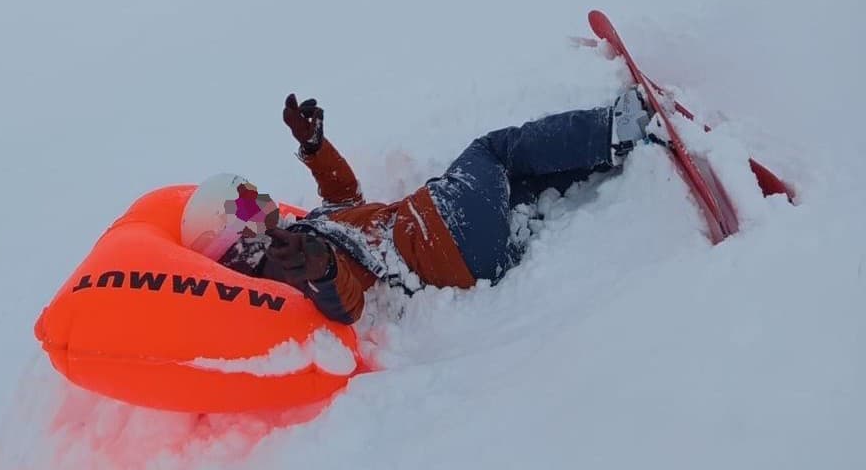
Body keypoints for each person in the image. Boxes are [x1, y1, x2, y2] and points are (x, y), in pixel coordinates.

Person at [180, 91, 654, 324]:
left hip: (465, 256)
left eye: (251, 191)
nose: (260, 202)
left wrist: (315, 147)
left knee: (523, 182)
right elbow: (344, 302)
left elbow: (345, 199)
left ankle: (616, 151)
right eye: (244, 204)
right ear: (235, 241)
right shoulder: (287, 267)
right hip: (441, 226)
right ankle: (616, 126)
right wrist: (320, 270)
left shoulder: (299, 236)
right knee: (495, 152)